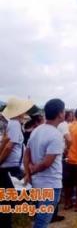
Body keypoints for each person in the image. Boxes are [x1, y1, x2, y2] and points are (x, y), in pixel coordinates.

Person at [24, 99, 65, 228]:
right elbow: (47, 163)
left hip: (37, 183)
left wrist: (28, 172)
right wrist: (31, 171)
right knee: (42, 222)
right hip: (51, 183)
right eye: (64, 111)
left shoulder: (37, 130)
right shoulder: (56, 135)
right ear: (60, 114)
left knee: (39, 219)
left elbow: (27, 153)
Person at [0, 97, 33, 228]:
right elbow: (9, 147)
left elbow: (6, 143)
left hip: (9, 167)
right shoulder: (14, 124)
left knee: (7, 200)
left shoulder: (14, 124)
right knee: (8, 201)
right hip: (9, 168)